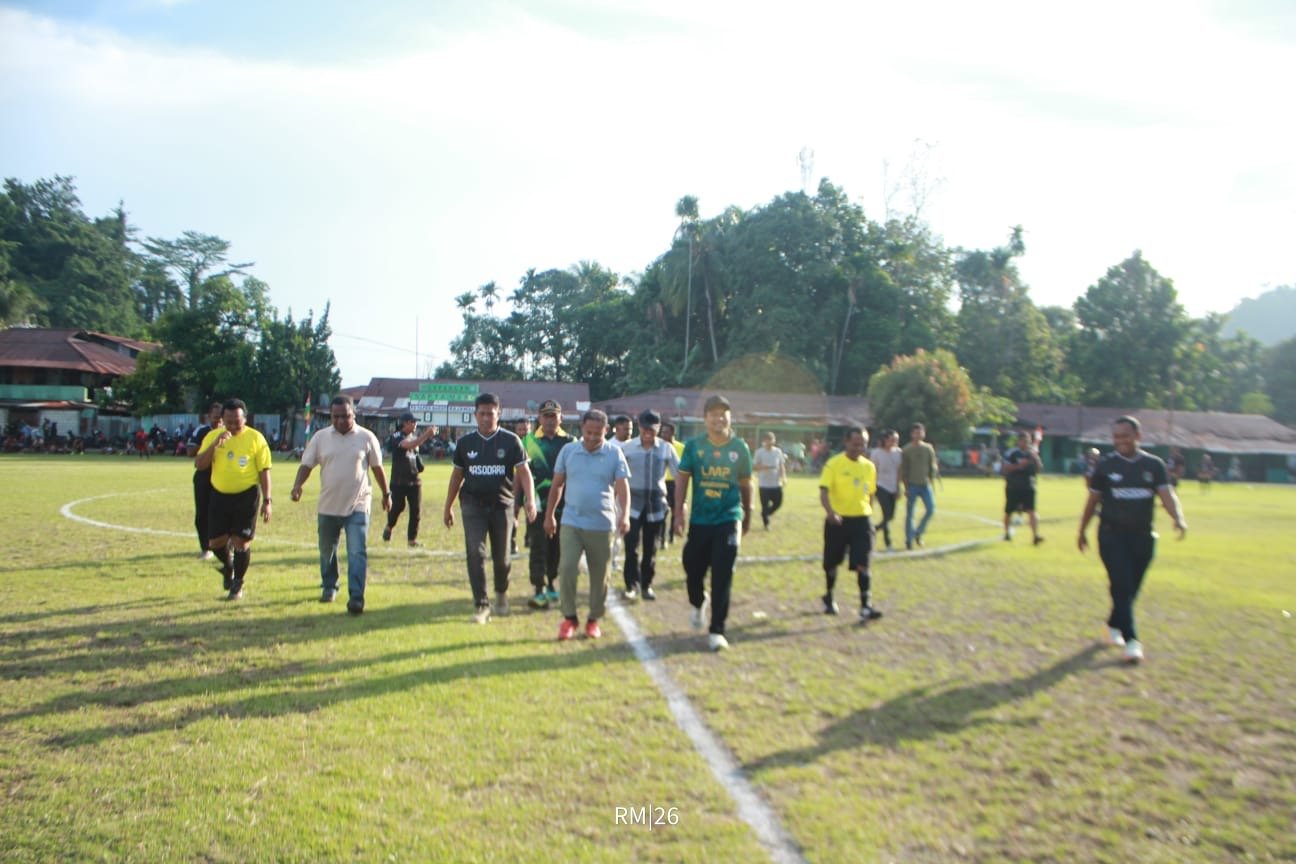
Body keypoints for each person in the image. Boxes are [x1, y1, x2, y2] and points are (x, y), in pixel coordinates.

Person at [1078, 415, 1188, 664]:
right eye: (1116, 437)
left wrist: (1178, 518)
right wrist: (1082, 530)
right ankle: (1132, 642)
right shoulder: (1105, 466)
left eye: (1125, 436)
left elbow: (1167, 495)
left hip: (1143, 537)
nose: (1121, 441)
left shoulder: (1154, 465)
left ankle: (1112, 626)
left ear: (1138, 436)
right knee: (1121, 584)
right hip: (1111, 535)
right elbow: (1092, 501)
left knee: (1130, 589)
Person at [290, 396, 391, 614]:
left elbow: (377, 468)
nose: (340, 421)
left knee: (357, 551)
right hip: (328, 505)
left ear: (353, 414)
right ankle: (329, 586)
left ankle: (356, 597)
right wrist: (297, 485)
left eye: (345, 416)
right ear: (331, 416)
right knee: (327, 550)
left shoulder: (366, 437)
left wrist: (386, 494)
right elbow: (306, 465)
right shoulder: (321, 437)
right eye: (335, 417)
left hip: (358, 504)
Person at [443, 393, 537, 624]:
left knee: (502, 557)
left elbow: (524, 472)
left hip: (502, 505)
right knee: (475, 552)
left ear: (498, 414)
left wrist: (530, 500)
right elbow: (456, 476)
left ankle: (501, 594)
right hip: (472, 505)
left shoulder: (511, 441)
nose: (486, 418)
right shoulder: (465, 443)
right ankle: (481, 605)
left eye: (490, 413)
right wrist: (448, 506)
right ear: (475, 415)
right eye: (482, 413)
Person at [673, 394, 754, 652]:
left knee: (723, 573)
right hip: (700, 519)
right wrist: (678, 512)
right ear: (705, 418)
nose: (719, 418)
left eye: (723, 414)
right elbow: (682, 478)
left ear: (730, 417)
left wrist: (747, 513)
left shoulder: (740, 448)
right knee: (692, 566)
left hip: (728, 518)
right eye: (713, 414)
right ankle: (698, 602)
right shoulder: (694, 446)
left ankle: (717, 630)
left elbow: (746, 483)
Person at [544, 410, 630, 640]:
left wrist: (625, 515)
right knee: (567, 568)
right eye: (588, 432)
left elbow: (622, 487)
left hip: (602, 524)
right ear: (581, 428)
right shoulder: (568, 451)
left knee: (600, 575)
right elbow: (557, 485)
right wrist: (549, 515)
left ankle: (593, 619)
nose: (592, 437)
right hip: (571, 521)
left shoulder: (614, 453)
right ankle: (569, 618)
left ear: (606, 431)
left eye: (597, 433)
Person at [194, 399, 272, 600]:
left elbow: (264, 471)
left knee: (240, 543)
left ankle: (237, 585)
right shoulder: (213, 436)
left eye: (237, 421)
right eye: (228, 422)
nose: (233, 426)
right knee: (215, 542)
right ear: (222, 420)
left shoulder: (256, 438)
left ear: (244, 418)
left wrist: (267, 501)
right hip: (219, 496)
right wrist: (215, 445)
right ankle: (228, 567)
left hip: (246, 496)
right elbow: (200, 465)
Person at [818, 427, 883, 621]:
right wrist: (831, 513)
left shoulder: (869, 466)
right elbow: (824, 492)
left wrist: (868, 512)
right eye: (855, 444)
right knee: (831, 563)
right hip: (838, 522)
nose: (859, 448)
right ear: (846, 442)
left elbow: (870, 493)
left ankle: (865, 606)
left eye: (863, 444)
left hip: (861, 522)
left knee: (863, 563)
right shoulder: (834, 464)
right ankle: (829, 597)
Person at [620, 409, 680, 601]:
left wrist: (680, 503)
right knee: (631, 547)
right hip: (632, 503)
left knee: (650, 547)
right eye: (645, 429)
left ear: (658, 428)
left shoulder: (666, 448)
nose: (648, 433)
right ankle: (631, 585)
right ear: (639, 427)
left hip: (656, 504)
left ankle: (646, 585)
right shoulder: (628, 448)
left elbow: (679, 475)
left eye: (652, 429)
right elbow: (617, 475)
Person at [523, 400, 569, 609]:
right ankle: (539, 588)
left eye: (554, 416)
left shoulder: (570, 442)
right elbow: (520, 475)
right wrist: (519, 502)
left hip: (564, 505)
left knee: (557, 547)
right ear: (539, 418)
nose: (550, 420)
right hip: (537, 504)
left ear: (561, 418)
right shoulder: (528, 441)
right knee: (538, 546)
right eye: (546, 416)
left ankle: (551, 582)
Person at [382, 412, 438, 547]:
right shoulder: (397, 436)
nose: (415, 424)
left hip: (414, 480)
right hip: (399, 480)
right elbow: (408, 445)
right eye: (413, 422)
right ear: (405, 423)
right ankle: (389, 526)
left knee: (415, 510)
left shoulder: (413, 438)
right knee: (397, 507)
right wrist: (426, 435)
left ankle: (412, 539)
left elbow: (415, 452)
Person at [187, 402, 224, 560]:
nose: (218, 421)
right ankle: (206, 547)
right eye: (215, 417)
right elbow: (190, 451)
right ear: (209, 416)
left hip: (223, 476)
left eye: (220, 417)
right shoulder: (202, 431)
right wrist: (210, 445)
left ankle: (225, 546)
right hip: (204, 475)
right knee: (202, 513)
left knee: (223, 513)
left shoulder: (230, 432)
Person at [900, 422, 939, 550]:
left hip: (925, 485)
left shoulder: (928, 448)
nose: (918, 435)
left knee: (931, 509)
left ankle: (918, 532)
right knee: (910, 514)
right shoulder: (906, 450)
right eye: (916, 432)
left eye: (921, 432)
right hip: (912, 485)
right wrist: (906, 488)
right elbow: (904, 470)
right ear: (912, 434)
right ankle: (909, 540)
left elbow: (932, 465)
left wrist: (932, 479)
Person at [1002, 430, 1044, 544]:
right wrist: (1019, 465)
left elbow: (1039, 469)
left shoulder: (1031, 454)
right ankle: (1006, 533)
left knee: (1032, 511)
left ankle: (1035, 536)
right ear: (1019, 441)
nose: (1027, 443)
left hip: (1028, 486)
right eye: (1025, 441)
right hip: (1013, 486)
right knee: (1009, 512)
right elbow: (1005, 468)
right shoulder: (1012, 453)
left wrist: (1036, 459)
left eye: (1028, 441)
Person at [868, 429, 902, 551]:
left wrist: (898, 487)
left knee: (891, 516)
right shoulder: (876, 453)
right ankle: (888, 543)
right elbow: (873, 471)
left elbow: (899, 471)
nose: (894, 442)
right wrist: (872, 488)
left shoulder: (898, 453)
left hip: (893, 487)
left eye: (896, 440)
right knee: (886, 514)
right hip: (880, 486)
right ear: (885, 440)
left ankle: (873, 530)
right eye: (892, 440)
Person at [752, 431, 788, 531]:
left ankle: (765, 513)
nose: (769, 442)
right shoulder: (759, 452)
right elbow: (754, 466)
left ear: (774, 441)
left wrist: (784, 477)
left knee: (778, 503)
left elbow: (781, 465)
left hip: (776, 483)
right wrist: (763, 467)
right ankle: (766, 524)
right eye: (767, 440)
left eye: (771, 440)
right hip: (764, 485)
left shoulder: (778, 452)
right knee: (765, 505)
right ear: (764, 441)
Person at [659, 422, 686, 548]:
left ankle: (671, 536)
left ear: (672, 433)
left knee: (675, 511)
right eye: (662, 432)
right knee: (663, 512)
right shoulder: (658, 446)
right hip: (662, 482)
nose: (663, 435)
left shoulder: (681, 448)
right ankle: (662, 538)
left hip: (675, 483)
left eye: (666, 432)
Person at [511, 417, 533, 553]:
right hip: (514, 484)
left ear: (530, 429)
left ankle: (529, 539)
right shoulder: (512, 443)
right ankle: (512, 543)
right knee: (513, 512)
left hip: (528, 483)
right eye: (520, 429)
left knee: (530, 511)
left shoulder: (534, 443)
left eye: (525, 429)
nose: (522, 432)